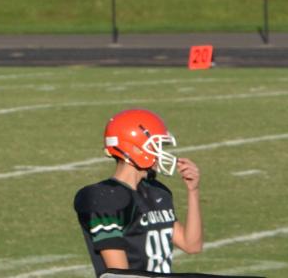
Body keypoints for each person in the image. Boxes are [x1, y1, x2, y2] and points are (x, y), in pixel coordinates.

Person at [73, 108, 203, 276]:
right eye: (156, 146)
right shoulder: (104, 198)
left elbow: (191, 245)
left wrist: (193, 191)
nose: (161, 153)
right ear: (135, 149)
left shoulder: (157, 192)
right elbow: (120, 274)